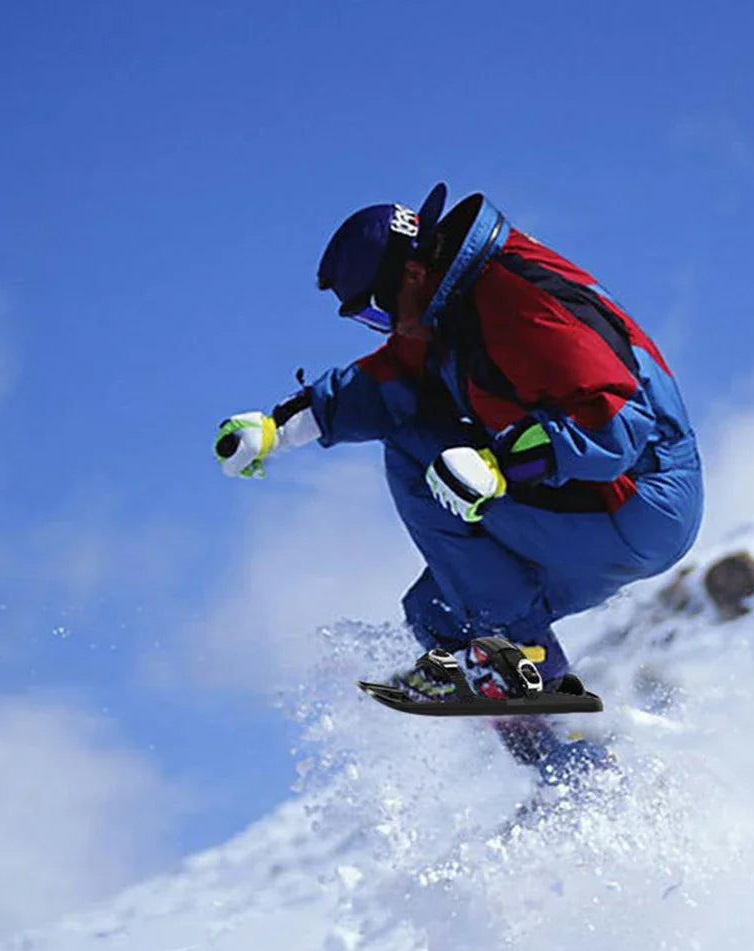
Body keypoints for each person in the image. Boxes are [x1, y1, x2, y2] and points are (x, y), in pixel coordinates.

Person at [215, 183, 703, 773]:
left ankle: (518, 656)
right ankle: (569, 773)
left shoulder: (516, 295)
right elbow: (388, 381)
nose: (383, 328)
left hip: (637, 496)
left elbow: (617, 419)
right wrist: (278, 428)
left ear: (413, 273)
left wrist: (503, 465)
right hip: (593, 508)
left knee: (415, 451)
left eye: (377, 311)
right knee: (441, 615)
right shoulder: (450, 309)